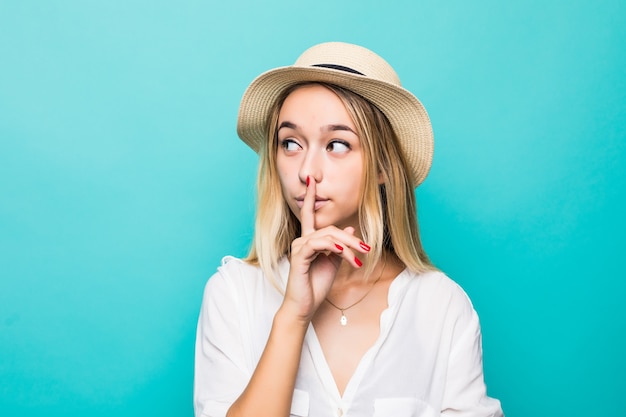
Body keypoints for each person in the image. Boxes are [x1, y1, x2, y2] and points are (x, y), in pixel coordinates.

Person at [194, 42, 503, 417]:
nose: (308, 171)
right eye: (290, 143)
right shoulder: (233, 295)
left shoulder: (442, 308)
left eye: (337, 144)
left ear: (384, 167)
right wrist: (294, 314)